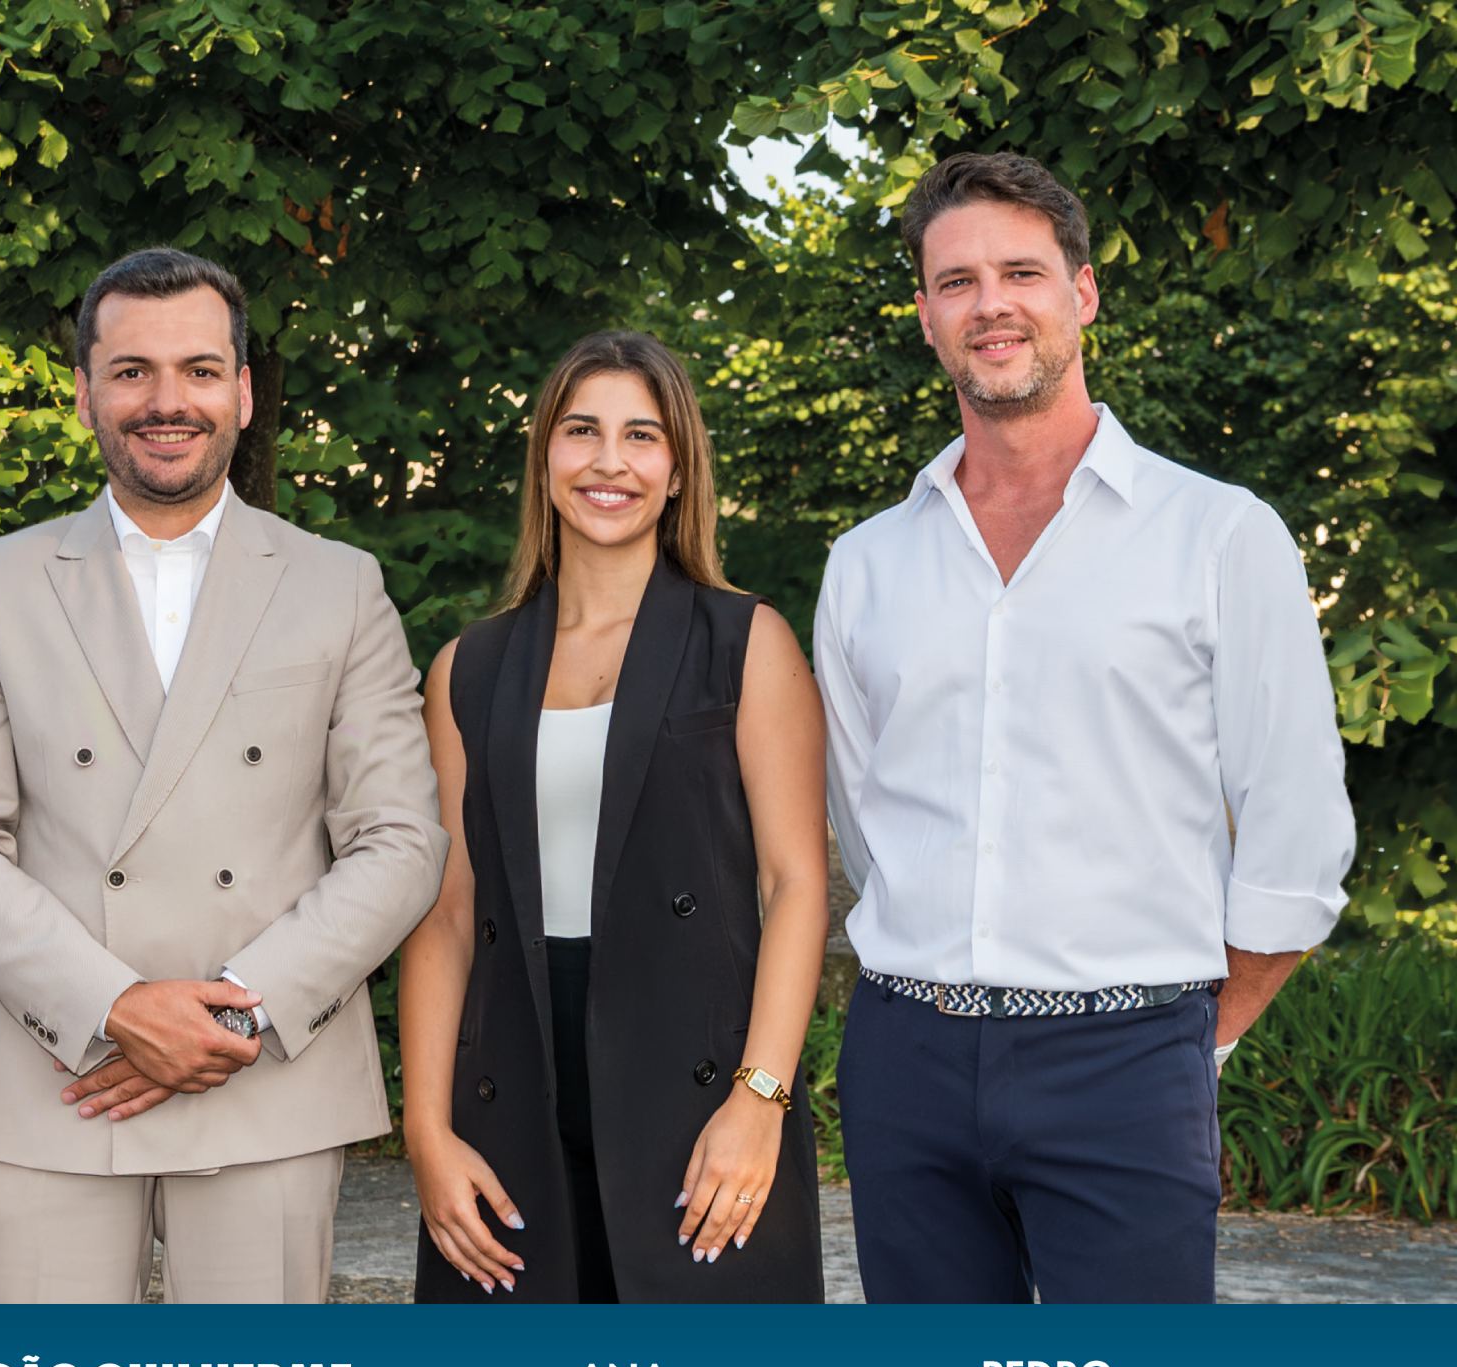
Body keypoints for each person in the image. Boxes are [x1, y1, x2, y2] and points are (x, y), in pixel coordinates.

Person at [814, 152, 1356, 1304]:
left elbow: (1295, 826)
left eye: (1020, 271)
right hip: (906, 1058)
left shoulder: (1216, 533)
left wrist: (1191, 1038)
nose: (990, 303)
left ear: (1082, 294)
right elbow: (865, 825)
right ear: (924, 315)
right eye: (954, 281)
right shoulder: (865, 564)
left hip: (1128, 1054)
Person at [0, 248, 446, 1303]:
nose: (166, 401)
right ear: (84, 393)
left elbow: (401, 840)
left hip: (266, 1073)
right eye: (131, 371)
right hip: (53, 1076)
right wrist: (114, 1005)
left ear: (242, 393)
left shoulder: (339, 586)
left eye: (199, 370)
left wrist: (237, 1009)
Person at [398, 332, 829, 1304]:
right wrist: (427, 1132)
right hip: (510, 1080)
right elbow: (447, 911)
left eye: (641, 436)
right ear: (544, 456)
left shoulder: (745, 642)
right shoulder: (468, 666)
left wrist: (759, 1099)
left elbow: (795, 883)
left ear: (677, 470)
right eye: (580, 430)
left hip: (696, 1079)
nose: (607, 461)